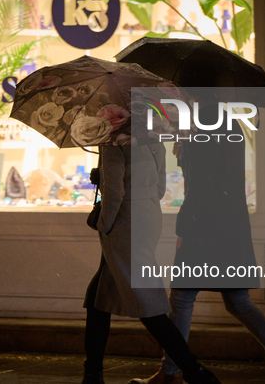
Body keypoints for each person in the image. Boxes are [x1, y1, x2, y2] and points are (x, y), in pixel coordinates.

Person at [129, 99, 265, 384]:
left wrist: (185, 225)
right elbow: (216, 173)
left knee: (183, 298)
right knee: (237, 301)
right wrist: (185, 151)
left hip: (203, 226)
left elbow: (201, 183)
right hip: (231, 226)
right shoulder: (226, 121)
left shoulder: (203, 124)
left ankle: (170, 371)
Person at [82, 142, 221, 384]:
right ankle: (92, 373)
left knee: (148, 302)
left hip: (124, 223)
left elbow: (114, 193)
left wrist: (103, 224)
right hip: (147, 216)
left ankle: (195, 371)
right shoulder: (151, 137)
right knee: (99, 299)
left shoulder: (113, 141)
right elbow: (159, 188)